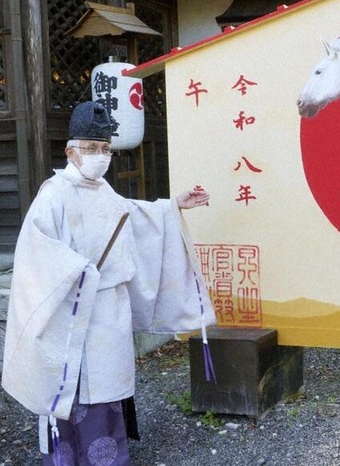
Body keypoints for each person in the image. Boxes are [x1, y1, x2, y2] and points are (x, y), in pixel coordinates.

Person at [1, 101, 215, 465]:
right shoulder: (52, 194)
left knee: (105, 392)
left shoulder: (104, 191)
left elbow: (134, 217)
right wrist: (79, 273)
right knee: (68, 386)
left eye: (105, 150)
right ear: (71, 151)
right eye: (91, 149)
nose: (100, 156)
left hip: (108, 313)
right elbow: (37, 254)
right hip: (69, 311)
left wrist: (172, 206)